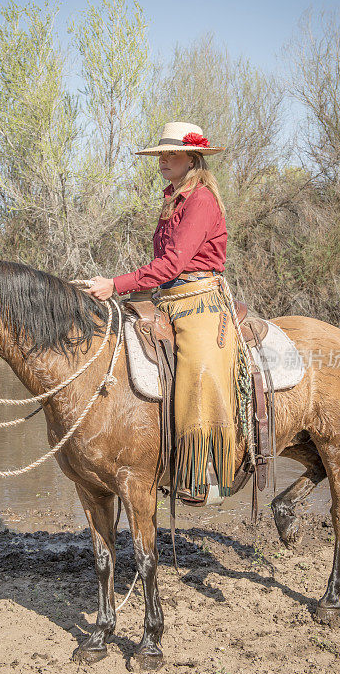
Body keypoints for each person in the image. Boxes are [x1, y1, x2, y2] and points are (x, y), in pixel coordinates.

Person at [86, 121, 240, 502]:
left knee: (197, 367)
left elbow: (172, 264)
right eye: (160, 155)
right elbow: (163, 265)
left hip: (199, 301)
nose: (164, 160)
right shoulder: (172, 199)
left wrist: (115, 284)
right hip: (166, 299)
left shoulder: (202, 200)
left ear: (192, 158)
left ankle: (205, 471)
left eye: (172, 154)